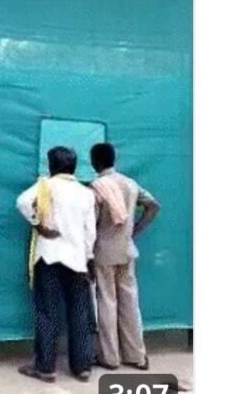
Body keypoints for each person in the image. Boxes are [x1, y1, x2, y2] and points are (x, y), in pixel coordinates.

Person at [16, 147, 97, 383]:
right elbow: (90, 232)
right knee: (79, 313)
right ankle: (82, 367)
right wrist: (88, 258)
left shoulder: (46, 186)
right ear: (74, 167)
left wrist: (38, 224)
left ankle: (45, 367)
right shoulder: (86, 193)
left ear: (52, 166)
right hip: (77, 260)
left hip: (49, 257)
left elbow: (22, 202)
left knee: (47, 312)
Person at [89, 143, 160, 371]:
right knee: (130, 303)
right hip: (127, 250)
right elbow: (153, 206)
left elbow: (90, 226)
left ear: (94, 162)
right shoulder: (130, 184)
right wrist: (136, 229)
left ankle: (110, 358)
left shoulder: (97, 187)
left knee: (107, 303)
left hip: (103, 253)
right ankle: (137, 356)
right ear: (114, 159)